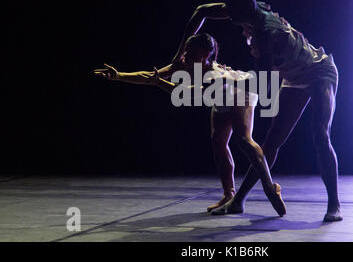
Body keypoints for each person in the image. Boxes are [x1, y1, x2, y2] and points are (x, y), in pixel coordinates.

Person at [173, 0, 342, 222]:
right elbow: (201, 11)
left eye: (233, 11)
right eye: (228, 9)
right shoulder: (244, 12)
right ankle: (238, 201)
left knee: (320, 134)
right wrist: (178, 54)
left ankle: (334, 204)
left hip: (319, 71)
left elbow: (263, 85)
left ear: (247, 7)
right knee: (271, 142)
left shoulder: (266, 33)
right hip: (293, 77)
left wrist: (224, 87)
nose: (229, 16)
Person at [93, 33, 286, 216]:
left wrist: (159, 83)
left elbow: (184, 93)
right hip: (219, 99)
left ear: (204, 55)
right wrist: (118, 75)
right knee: (218, 142)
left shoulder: (214, 76)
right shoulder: (184, 64)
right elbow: (150, 76)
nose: (185, 55)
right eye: (186, 51)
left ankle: (270, 187)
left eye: (190, 52)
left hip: (238, 92)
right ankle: (229, 194)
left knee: (243, 139)